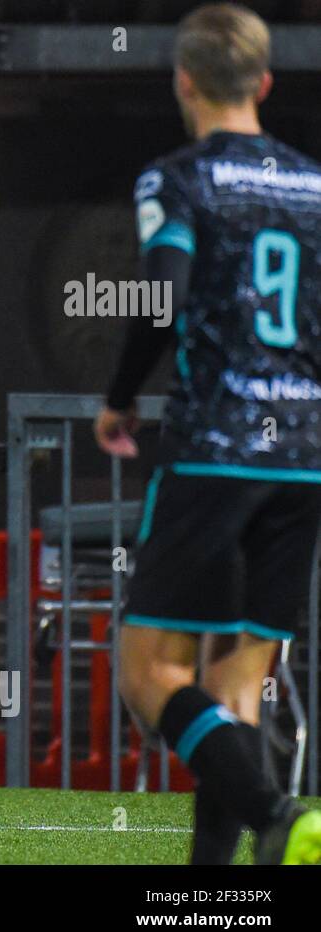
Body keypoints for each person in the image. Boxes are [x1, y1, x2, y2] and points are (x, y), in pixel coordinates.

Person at [94, 3, 321, 864]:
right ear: (263, 83)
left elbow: (166, 292)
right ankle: (214, 897)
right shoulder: (313, 184)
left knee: (151, 678)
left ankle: (279, 812)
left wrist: (118, 399)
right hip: (303, 454)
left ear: (184, 81)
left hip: (217, 448)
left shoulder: (178, 178)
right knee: (238, 691)